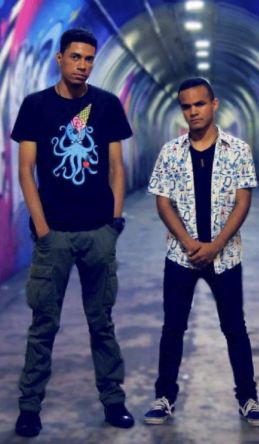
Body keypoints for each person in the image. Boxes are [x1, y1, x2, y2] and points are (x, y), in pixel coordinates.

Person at [11, 28, 134, 437]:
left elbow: (116, 167)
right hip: (55, 237)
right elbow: (25, 171)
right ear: (60, 58)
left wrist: (114, 223)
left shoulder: (107, 105)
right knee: (43, 325)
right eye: (76, 57)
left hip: (98, 232)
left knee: (102, 323)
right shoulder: (35, 106)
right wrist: (43, 228)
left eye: (89, 59)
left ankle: (113, 401)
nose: (83, 65)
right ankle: (29, 407)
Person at [145, 77, 259, 427]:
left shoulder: (237, 150)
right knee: (173, 328)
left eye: (199, 104)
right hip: (180, 256)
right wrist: (189, 243)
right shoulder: (170, 152)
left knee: (234, 327)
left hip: (225, 257)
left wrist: (216, 245)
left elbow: (243, 202)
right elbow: (163, 202)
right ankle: (164, 398)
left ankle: (248, 399)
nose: (193, 112)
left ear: (214, 104)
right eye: (186, 106)